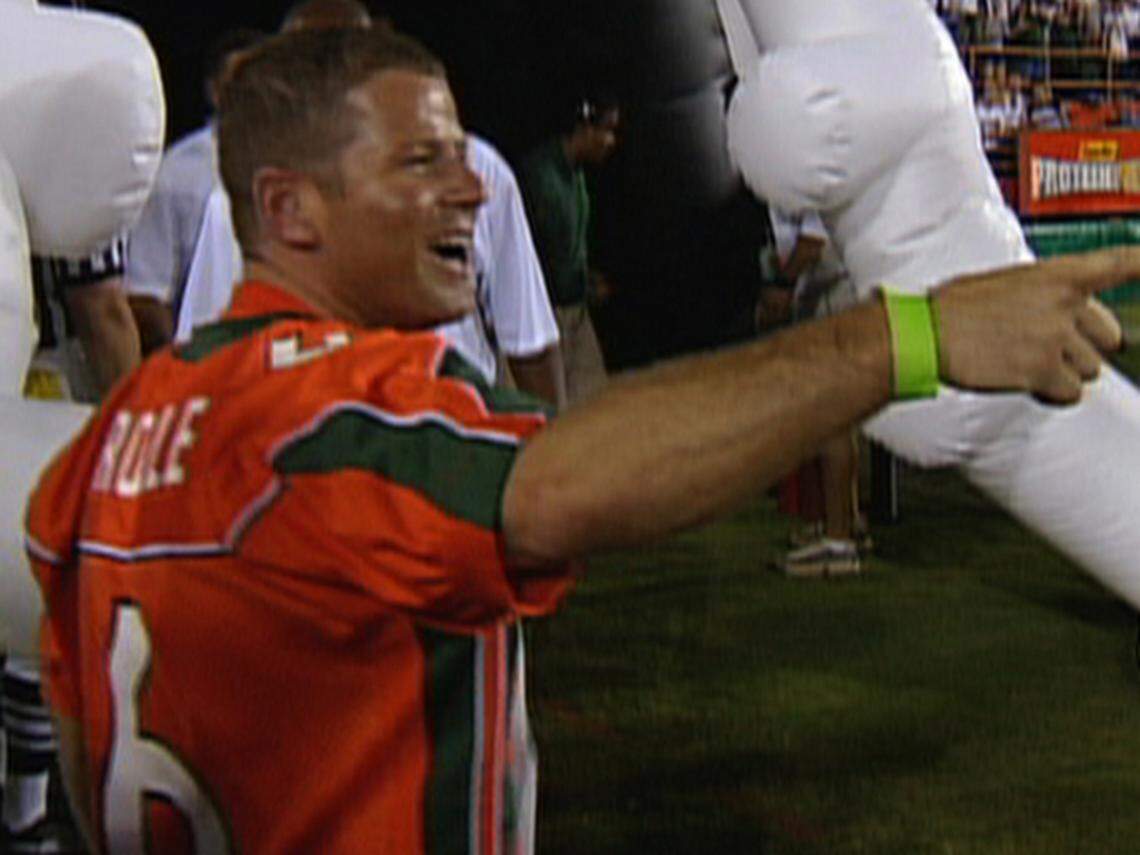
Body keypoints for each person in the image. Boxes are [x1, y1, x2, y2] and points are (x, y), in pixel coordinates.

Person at [25, 27, 1131, 854]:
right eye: (421, 162)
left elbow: (84, 754)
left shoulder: (112, 436)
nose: (470, 184)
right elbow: (551, 489)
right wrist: (911, 339)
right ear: (292, 209)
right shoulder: (336, 411)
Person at [125, 29, 263, 355]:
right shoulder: (178, 174)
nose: (254, 97)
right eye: (239, 85)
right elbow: (146, 293)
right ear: (214, 91)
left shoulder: (312, 163)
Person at [518, 96, 619, 405]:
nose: (611, 142)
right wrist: (585, 287)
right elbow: (546, 260)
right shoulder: (544, 179)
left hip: (574, 310)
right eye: (607, 130)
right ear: (586, 128)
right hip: (549, 317)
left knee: (596, 405)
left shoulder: (575, 174)